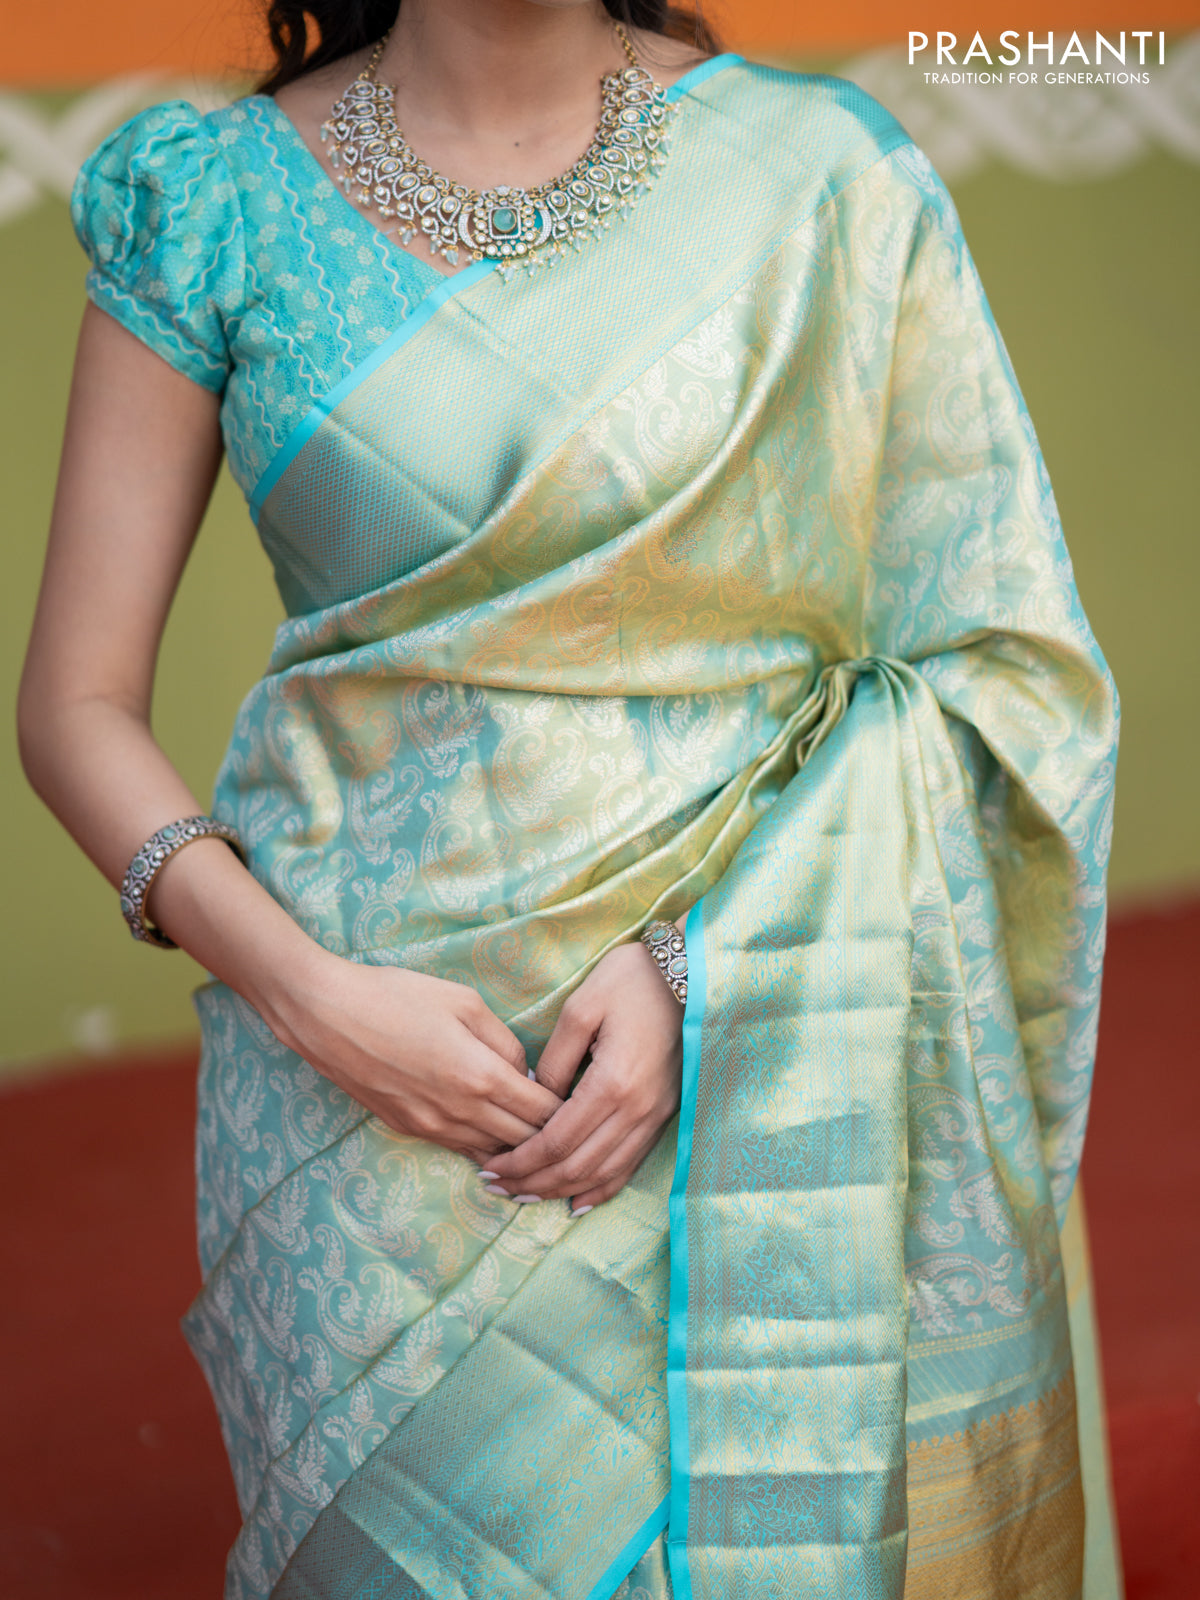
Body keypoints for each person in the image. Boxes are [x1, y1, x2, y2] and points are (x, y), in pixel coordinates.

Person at [18, 1, 1122, 1596]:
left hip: (765, 1055)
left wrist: (706, 971)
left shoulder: (826, 177)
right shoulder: (212, 201)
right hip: (362, 1111)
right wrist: (310, 999)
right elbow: (73, 707)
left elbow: (997, 675)